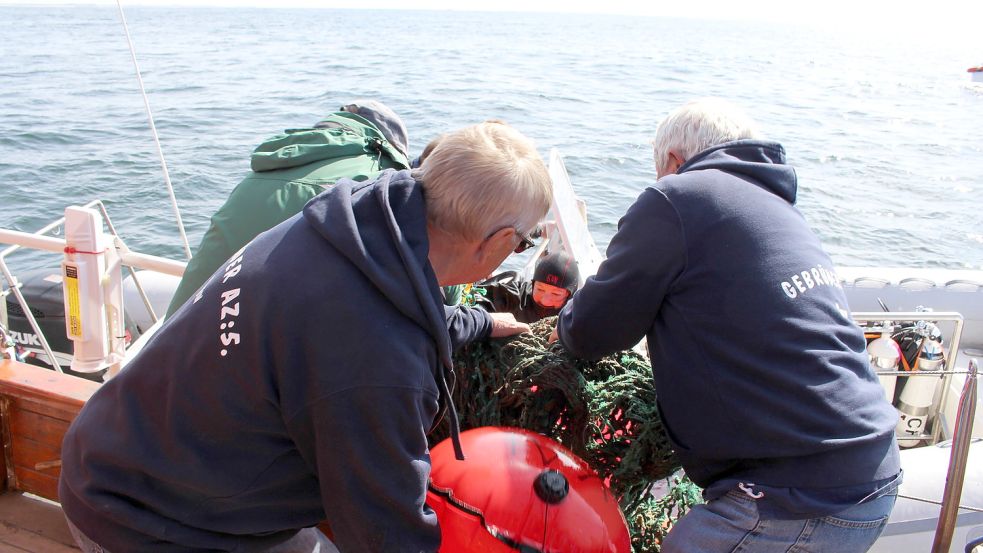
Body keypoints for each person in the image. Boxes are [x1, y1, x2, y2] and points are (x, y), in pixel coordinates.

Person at [59, 121, 554, 552]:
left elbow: (383, 315)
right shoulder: (378, 364)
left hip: (114, 458)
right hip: (150, 524)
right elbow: (386, 533)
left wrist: (482, 323)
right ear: (500, 243)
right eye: (524, 243)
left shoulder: (354, 224)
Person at [551, 98, 901, 552]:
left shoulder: (677, 196)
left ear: (674, 161)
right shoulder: (777, 206)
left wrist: (559, 323)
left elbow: (591, 332)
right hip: (872, 471)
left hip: (794, 494)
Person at [165, 99, 412, 318]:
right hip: (257, 354)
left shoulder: (263, 171)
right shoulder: (379, 184)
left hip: (171, 343)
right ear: (390, 148)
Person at [473, 250, 580, 323]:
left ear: (569, 295)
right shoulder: (515, 296)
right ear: (533, 284)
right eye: (540, 289)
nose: (545, 300)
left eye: (556, 294)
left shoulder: (576, 314)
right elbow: (481, 299)